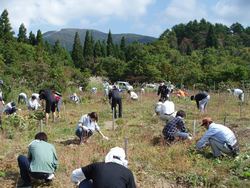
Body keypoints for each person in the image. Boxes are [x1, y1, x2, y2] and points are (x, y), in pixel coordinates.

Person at [70, 147, 136, 188]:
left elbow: (74, 174)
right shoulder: (128, 173)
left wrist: (76, 183)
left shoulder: (97, 166)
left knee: (85, 183)